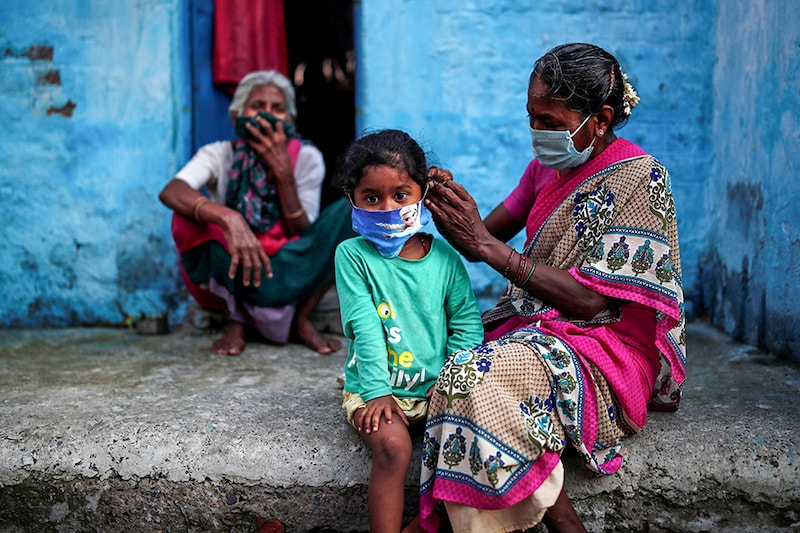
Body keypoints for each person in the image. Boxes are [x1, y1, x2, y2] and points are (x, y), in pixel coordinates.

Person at [418, 43, 686, 533]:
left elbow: (592, 301)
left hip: (605, 345)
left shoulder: (640, 179)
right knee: (432, 362)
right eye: (531, 118)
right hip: (534, 329)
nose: (536, 132)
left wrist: (486, 247)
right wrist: (435, 200)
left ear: (600, 119)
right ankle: (558, 518)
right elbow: (485, 232)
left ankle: (562, 525)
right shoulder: (545, 168)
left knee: (469, 378)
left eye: (549, 120)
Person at [333, 129, 484, 533]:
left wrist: (454, 375)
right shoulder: (352, 256)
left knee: (477, 442)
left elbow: (467, 323)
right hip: (376, 387)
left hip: (438, 388)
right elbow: (364, 327)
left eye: (401, 195)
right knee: (394, 447)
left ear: (421, 195)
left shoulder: (447, 260)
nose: (386, 207)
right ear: (353, 200)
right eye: (372, 198)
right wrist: (376, 392)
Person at [159, 70, 356, 356]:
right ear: (237, 116)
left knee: (354, 213)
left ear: (289, 121)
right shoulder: (219, 154)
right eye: (257, 107)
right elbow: (172, 191)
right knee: (187, 216)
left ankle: (302, 317)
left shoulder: (306, 157)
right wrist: (229, 218)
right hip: (236, 263)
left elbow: (303, 234)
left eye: (278, 109)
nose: (267, 116)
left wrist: (284, 176)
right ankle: (235, 319)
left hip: (291, 266)